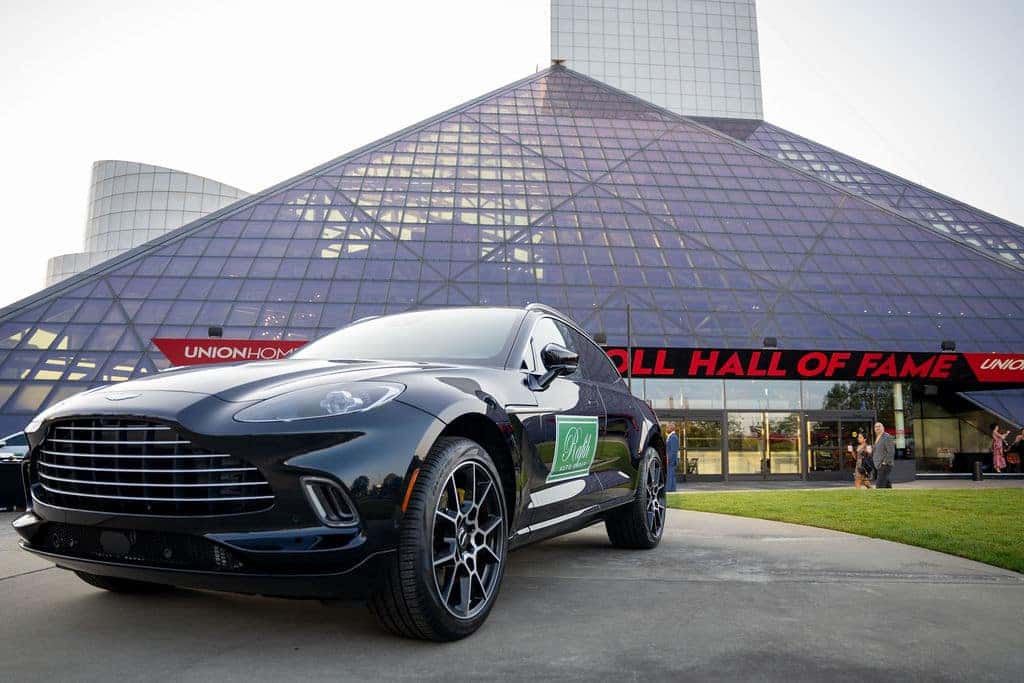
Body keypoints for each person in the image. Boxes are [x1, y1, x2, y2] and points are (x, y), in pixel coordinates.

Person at [872, 422, 895, 488]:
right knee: (886, 484)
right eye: (875, 427)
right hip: (878, 465)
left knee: (879, 486)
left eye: (879, 426)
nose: (877, 428)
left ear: (883, 428)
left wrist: (884, 462)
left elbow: (891, 451)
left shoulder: (887, 437)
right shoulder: (877, 437)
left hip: (885, 465)